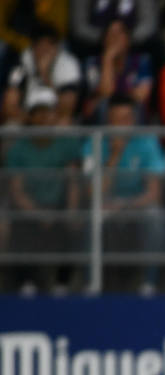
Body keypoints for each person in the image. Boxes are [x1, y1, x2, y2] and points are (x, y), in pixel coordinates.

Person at [5, 86, 83, 295]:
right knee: (19, 226)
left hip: (59, 205)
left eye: (48, 112)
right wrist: (38, 213)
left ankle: (62, 283)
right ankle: (26, 283)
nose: (44, 118)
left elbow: (73, 182)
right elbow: (17, 190)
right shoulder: (18, 149)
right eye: (38, 112)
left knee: (74, 223)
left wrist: (71, 210)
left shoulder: (67, 145)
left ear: (56, 115)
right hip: (30, 207)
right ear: (30, 117)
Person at [86, 91, 165, 295]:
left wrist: (124, 205)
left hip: (136, 204)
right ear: (107, 120)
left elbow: (153, 193)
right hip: (105, 204)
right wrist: (114, 155)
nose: (122, 125)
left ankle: (149, 282)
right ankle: (94, 283)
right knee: (91, 216)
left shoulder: (147, 142)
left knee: (153, 215)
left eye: (127, 119)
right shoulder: (93, 143)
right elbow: (92, 193)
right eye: (116, 120)